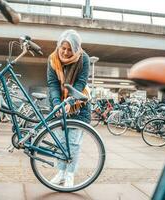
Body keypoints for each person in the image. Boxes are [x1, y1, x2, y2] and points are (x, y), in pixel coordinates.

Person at [47, 29, 91, 187]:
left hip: (79, 105)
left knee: (73, 143)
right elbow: (52, 84)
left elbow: (80, 83)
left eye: (69, 49)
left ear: (77, 48)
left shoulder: (83, 59)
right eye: (62, 48)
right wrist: (57, 102)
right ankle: (60, 173)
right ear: (58, 46)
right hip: (58, 103)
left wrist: (70, 102)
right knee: (60, 141)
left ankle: (70, 175)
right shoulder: (52, 59)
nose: (65, 52)